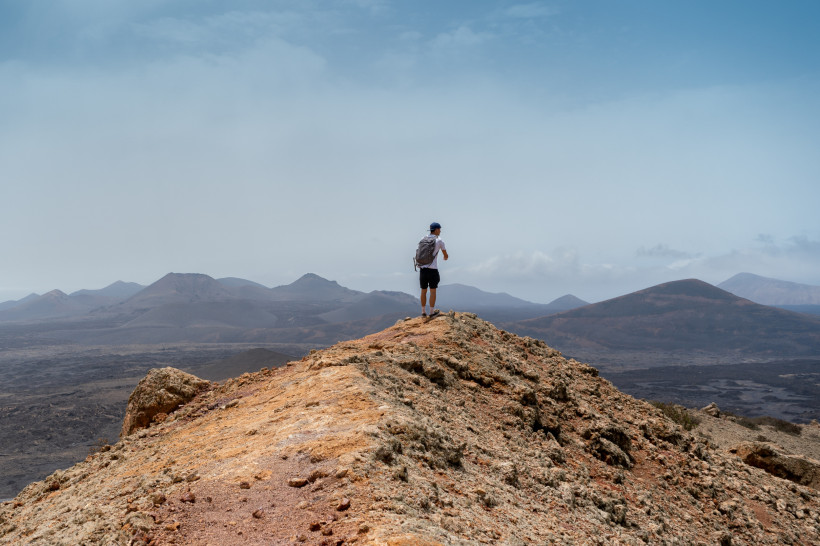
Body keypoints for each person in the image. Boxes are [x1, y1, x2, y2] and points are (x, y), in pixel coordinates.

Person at [419, 221, 448, 317]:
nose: (440, 231)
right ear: (436, 230)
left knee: (423, 291)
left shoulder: (423, 238)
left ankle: (423, 312)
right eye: (439, 229)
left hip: (423, 269)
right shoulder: (439, 240)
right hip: (432, 269)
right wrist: (445, 257)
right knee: (433, 291)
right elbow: (445, 254)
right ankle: (431, 312)